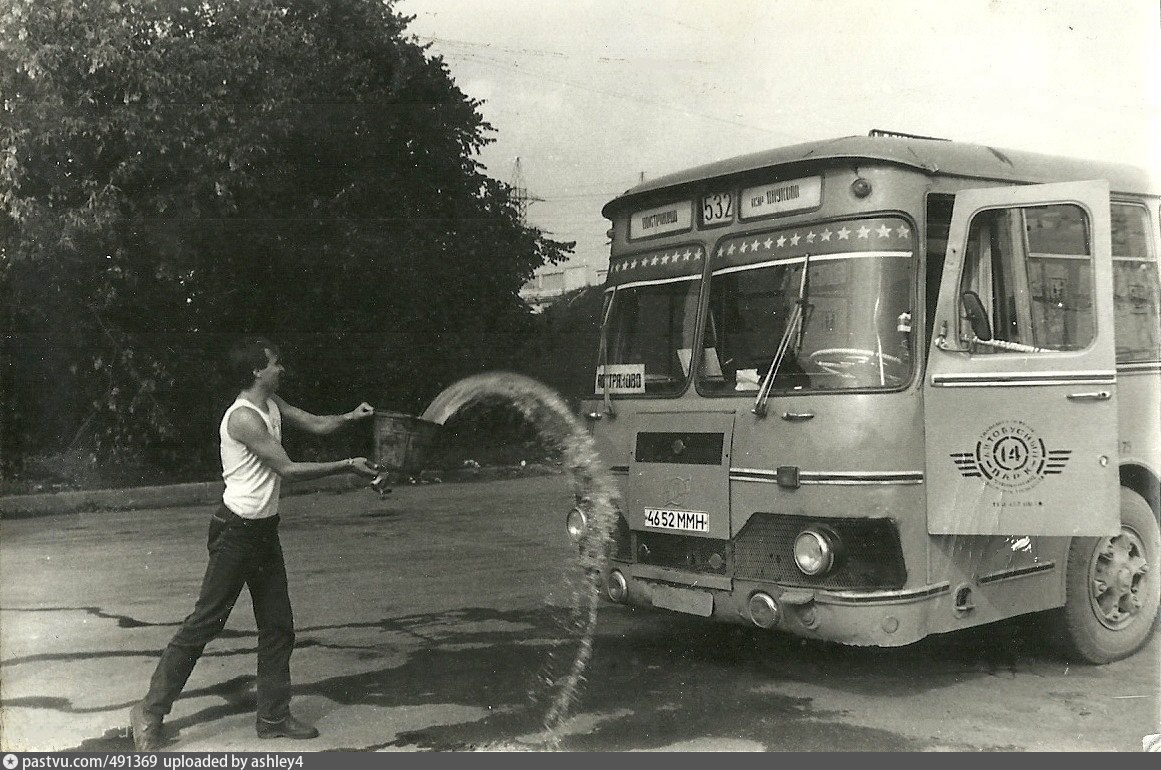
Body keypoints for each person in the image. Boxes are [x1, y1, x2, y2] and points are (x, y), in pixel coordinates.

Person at [130, 336, 379, 751]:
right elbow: (288, 468)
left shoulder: (272, 405)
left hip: (263, 531)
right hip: (236, 532)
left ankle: (273, 717)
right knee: (205, 623)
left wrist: (353, 417)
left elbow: (316, 423)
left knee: (278, 626)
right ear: (256, 371)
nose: (281, 369)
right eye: (275, 364)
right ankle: (149, 711)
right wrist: (347, 465)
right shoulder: (243, 418)